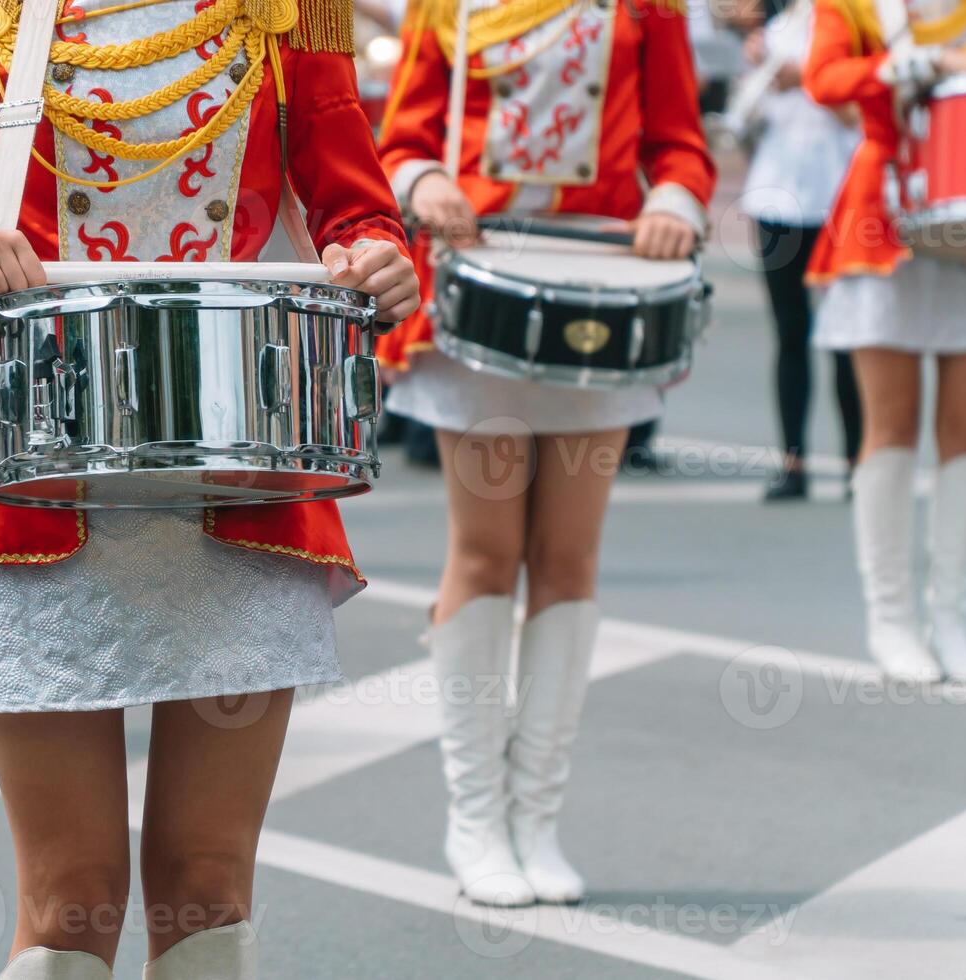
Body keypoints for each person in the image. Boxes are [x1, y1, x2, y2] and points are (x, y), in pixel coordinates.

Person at [0, 0, 419, 976]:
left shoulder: (285, 14)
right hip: (40, 478)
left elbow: (357, 209)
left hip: (242, 471)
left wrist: (379, 256)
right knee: (69, 897)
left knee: (207, 883)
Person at [376, 0, 715, 906]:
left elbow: (680, 141)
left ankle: (537, 818)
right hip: (480, 301)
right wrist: (423, 184)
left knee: (568, 560)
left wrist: (673, 205)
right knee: (486, 556)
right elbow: (400, 133)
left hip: (597, 297)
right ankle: (475, 817)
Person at [803, 0, 966, 681]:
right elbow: (825, 80)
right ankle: (891, 619)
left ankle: (952, 618)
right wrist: (933, 60)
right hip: (885, 217)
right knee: (891, 428)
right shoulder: (851, 5)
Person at [738, 0, 862, 500]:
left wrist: (808, 78)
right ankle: (793, 461)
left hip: (840, 194)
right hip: (777, 195)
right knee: (790, 333)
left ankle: (859, 461)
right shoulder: (781, 25)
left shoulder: (858, 22)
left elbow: (859, 107)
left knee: (849, 336)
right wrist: (758, 71)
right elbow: (747, 117)